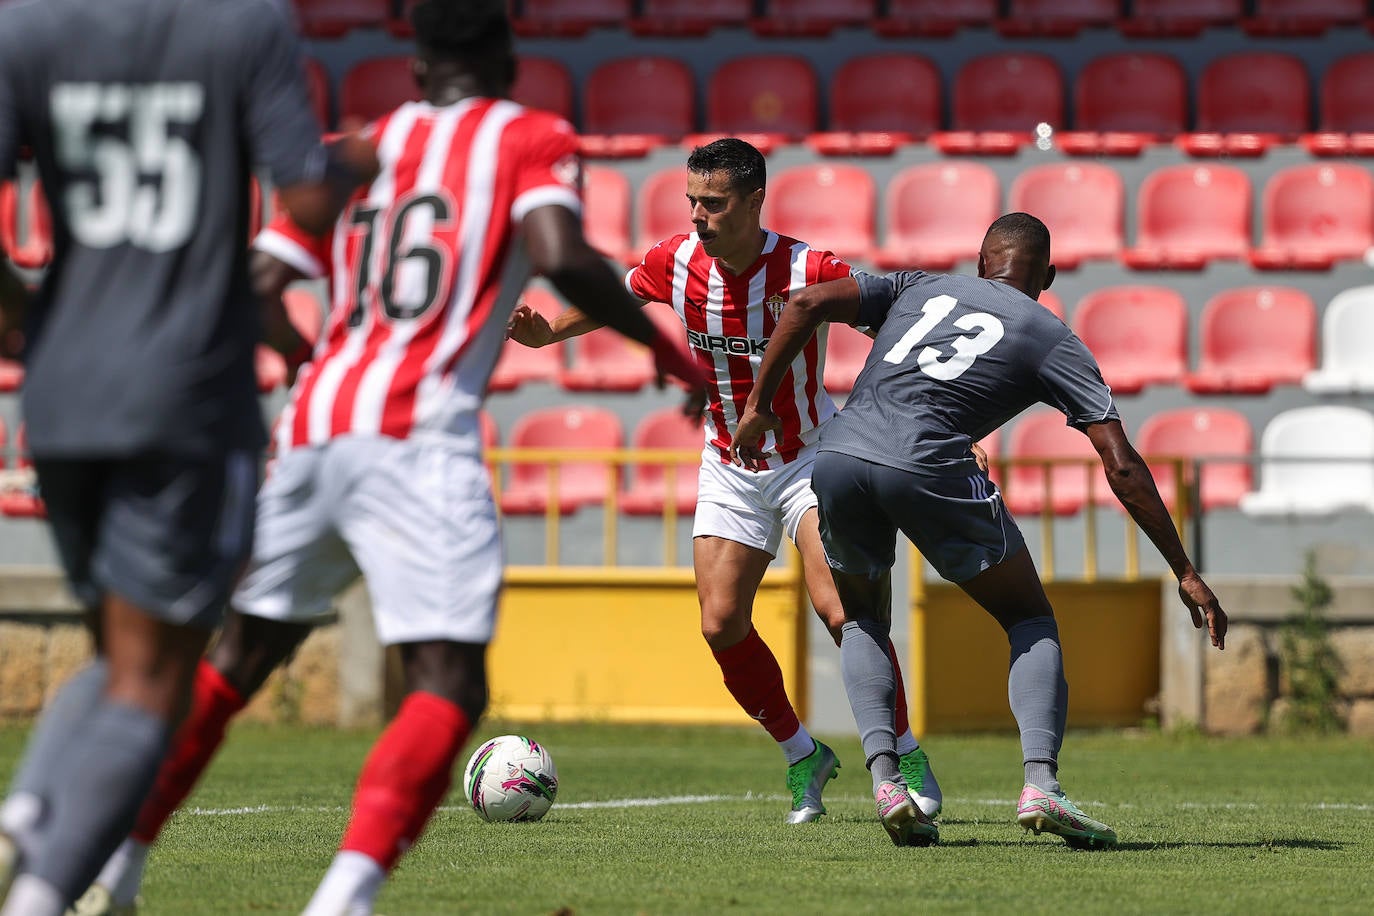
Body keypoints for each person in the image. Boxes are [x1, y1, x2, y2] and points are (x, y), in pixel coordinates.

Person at [76, 2, 708, 914]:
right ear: (506, 55)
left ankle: (116, 867)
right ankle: (345, 898)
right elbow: (560, 251)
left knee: (241, 655)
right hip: (419, 433)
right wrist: (668, 355)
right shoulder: (528, 133)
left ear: (415, 69)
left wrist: (300, 362)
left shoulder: (355, 150)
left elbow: (257, 284)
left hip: (315, 422)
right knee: (449, 680)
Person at [0, 1, 378, 913]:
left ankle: (26, 812)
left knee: (118, 650)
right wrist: (366, 157)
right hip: (183, 392)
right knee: (155, 679)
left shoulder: (25, 25)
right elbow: (306, 198)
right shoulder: (240, 24)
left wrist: (23, 316)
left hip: (61, 393)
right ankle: (42, 892)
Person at [729, 212, 1228, 848]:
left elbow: (803, 302)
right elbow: (1122, 465)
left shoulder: (919, 285)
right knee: (1029, 619)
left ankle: (886, 782)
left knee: (860, 620)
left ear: (979, 262)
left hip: (839, 458)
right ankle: (1041, 785)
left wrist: (758, 408)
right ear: (1046, 274)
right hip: (930, 466)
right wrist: (1183, 569)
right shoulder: (1050, 335)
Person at [506, 137, 943, 825]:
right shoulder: (676, 261)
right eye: (692, 202)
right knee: (719, 623)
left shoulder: (807, 267)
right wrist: (548, 335)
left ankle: (905, 755)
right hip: (730, 463)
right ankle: (803, 754)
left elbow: (902, 318)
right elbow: (617, 298)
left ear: (754, 200)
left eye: (714, 204)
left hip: (808, 456)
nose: (699, 217)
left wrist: (946, 420)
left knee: (841, 610)